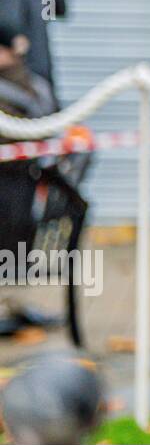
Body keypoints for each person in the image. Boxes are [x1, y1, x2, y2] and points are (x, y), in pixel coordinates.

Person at [0, 21, 57, 336]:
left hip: (22, 178)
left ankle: (13, 301)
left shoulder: (31, 83)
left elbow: (47, 119)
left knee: (19, 237)